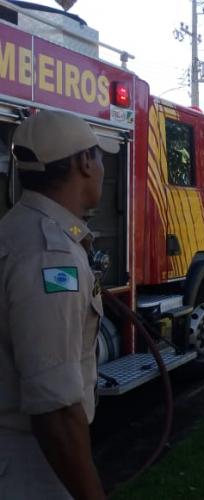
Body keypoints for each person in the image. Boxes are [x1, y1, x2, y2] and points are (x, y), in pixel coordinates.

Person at [0, 110, 119, 499]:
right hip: (32, 466)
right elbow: (56, 410)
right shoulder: (50, 254)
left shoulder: (16, 229)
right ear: (84, 162)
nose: (102, 168)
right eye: (99, 157)